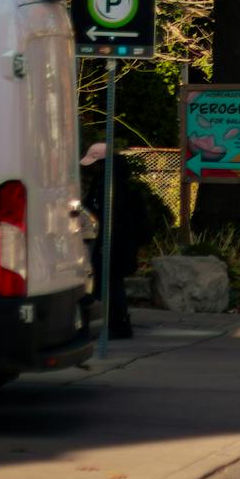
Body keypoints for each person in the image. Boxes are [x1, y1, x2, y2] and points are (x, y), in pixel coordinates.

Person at [81, 144, 151, 340]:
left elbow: (110, 217)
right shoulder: (112, 183)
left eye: (95, 164)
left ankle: (117, 324)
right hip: (115, 243)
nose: (91, 169)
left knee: (110, 283)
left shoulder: (110, 187)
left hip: (112, 243)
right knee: (111, 282)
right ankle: (114, 323)